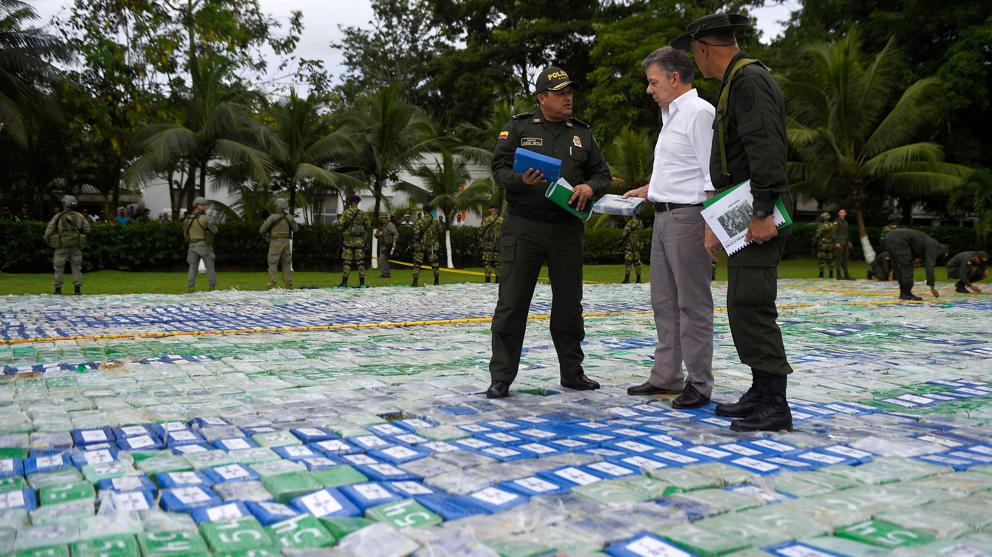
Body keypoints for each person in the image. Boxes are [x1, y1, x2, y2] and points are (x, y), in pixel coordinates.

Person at [673, 13, 793, 431]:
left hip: (757, 210)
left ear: (704, 49)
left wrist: (761, 212)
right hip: (743, 208)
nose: (696, 60)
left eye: (695, 52)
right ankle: (762, 390)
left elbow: (765, 147)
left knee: (753, 303)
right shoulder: (736, 82)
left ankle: (774, 402)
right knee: (743, 302)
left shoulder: (747, 81)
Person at [486, 65, 612, 399]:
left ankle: (572, 372)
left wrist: (589, 187)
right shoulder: (518, 127)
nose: (568, 98)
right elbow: (497, 168)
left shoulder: (582, 134)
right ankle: (501, 377)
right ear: (542, 98)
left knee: (569, 305)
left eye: (570, 92)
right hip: (523, 227)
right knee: (512, 303)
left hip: (566, 228)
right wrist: (519, 180)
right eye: (560, 93)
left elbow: (603, 174)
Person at [621, 47, 715, 408]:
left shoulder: (698, 113)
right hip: (663, 215)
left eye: (653, 82)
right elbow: (682, 169)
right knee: (664, 302)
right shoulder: (671, 115)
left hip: (688, 218)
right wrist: (651, 189)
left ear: (675, 79)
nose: (649, 90)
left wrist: (709, 225)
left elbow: (709, 175)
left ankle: (699, 382)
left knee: (693, 303)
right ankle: (667, 375)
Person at [44, 195, 91, 295]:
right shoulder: (80, 216)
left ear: (65, 204)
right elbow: (87, 229)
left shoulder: (58, 216)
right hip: (76, 246)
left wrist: (48, 239)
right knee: (77, 267)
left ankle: (58, 289)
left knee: (58, 267)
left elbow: (49, 231)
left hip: (61, 246)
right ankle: (77, 289)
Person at [882, 228, 947, 300]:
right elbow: (930, 266)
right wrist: (932, 286)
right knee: (906, 266)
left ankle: (903, 292)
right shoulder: (934, 245)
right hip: (900, 239)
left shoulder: (925, 241)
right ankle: (906, 293)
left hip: (889, 237)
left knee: (898, 265)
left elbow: (913, 250)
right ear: (940, 251)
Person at [260, 198, 298, 289]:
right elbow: (296, 229)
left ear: (278, 206)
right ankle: (288, 285)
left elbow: (261, 230)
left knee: (272, 264)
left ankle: (272, 285)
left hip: (275, 242)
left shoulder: (272, 217)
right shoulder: (289, 217)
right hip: (286, 243)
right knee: (287, 264)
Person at [183, 197, 218, 292]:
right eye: (204, 205)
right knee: (210, 267)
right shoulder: (205, 218)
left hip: (192, 245)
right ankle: (212, 287)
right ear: (199, 206)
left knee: (192, 267)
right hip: (204, 245)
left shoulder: (187, 219)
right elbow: (215, 231)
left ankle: (191, 287)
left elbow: (185, 234)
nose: (205, 206)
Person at [339, 195, 370, 288]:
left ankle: (344, 282)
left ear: (352, 202)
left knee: (347, 262)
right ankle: (362, 283)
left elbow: (341, 223)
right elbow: (368, 225)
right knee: (360, 262)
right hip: (359, 242)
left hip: (348, 241)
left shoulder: (346, 212)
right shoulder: (363, 213)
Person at [411, 204, 440, 287]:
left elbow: (415, 233)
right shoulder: (436, 221)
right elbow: (440, 231)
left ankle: (415, 282)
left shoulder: (420, 221)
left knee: (417, 264)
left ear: (424, 211)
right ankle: (436, 281)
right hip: (432, 245)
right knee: (434, 263)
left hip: (421, 245)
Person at [479, 204, 501, 283]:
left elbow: (481, 231)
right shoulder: (501, 220)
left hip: (488, 244)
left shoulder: (487, 219)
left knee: (487, 262)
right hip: (498, 245)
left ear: (491, 210)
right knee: (498, 263)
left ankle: (487, 280)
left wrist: (481, 242)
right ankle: (498, 280)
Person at [620, 214, 644, 284]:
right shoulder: (640, 222)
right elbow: (641, 234)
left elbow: (625, 233)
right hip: (637, 245)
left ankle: (627, 279)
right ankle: (638, 279)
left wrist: (621, 240)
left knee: (628, 261)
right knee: (637, 262)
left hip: (630, 245)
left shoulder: (631, 222)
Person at [832, 208, 854, 280]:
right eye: (840, 212)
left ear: (845, 214)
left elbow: (846, 233)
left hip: (845, 243)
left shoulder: (845, 222)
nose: (842, 213)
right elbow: (834, 233)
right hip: (839, 243)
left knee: (845, 259)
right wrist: (836, 243)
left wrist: (849, 241)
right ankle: (838, 275)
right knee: (838, 259)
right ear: (839, 214)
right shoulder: (836, 221)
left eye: (843, 212)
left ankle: (846, 275)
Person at [375, 213, 398, 279]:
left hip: (388, 245)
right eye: (381, 218)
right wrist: (378, 234)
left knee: (383, 258)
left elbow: (396, 234)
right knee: (383, 260)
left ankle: (385, 274)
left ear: (387, 218)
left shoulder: (390, 225)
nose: (382, 219)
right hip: (382, 245)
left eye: (384, 218)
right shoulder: (381, 226)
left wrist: (394, 242)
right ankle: (386, 274)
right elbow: (375, 235)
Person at [814, 212, 835, 278]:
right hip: (830, 245)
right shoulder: (832, 225)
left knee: (821, 260)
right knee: (830, 260)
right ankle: (831, 274)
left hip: (822, 245)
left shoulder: (822, 225)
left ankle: (821, 274)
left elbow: (818, 235)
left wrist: (816, 241)